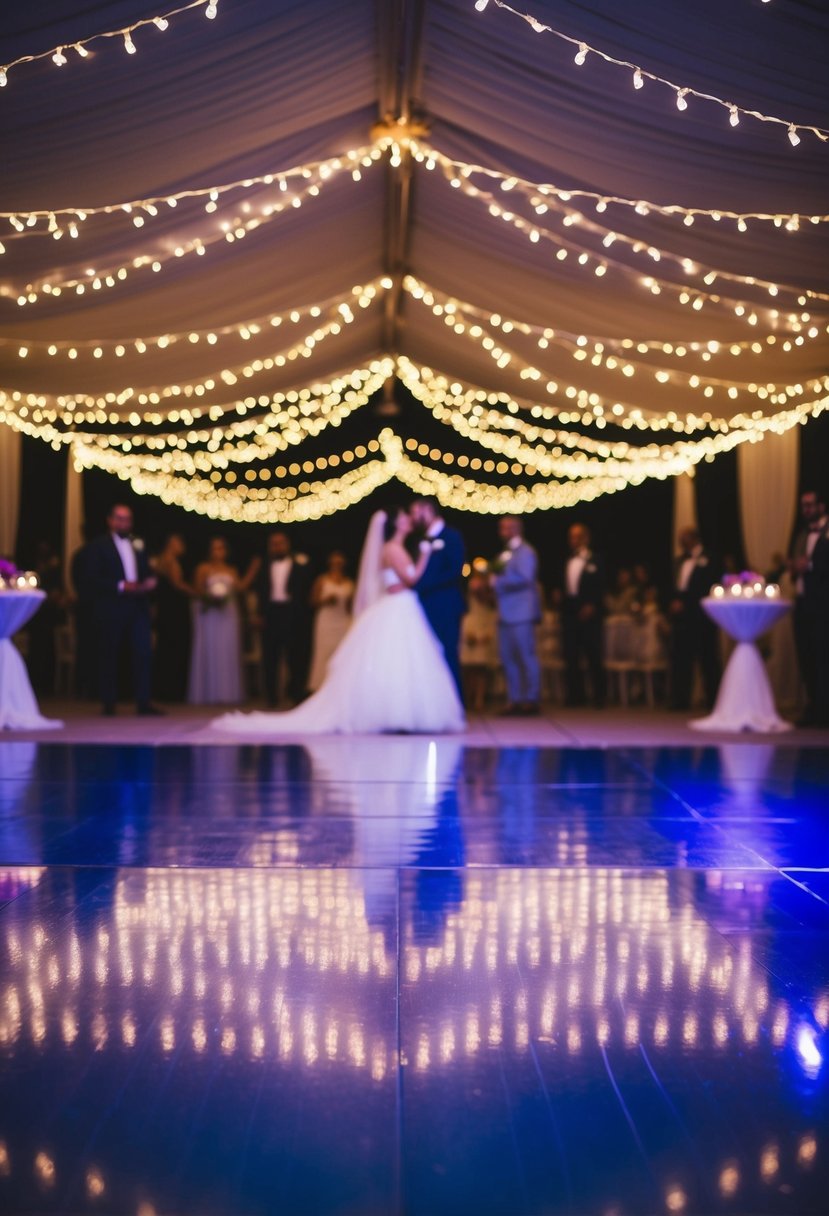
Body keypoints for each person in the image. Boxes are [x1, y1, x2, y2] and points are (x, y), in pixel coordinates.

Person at [212, 507, 465, 735]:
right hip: (400, 606)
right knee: (402, 662)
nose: (409, 519)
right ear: (395, 525)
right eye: (404, 517)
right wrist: (425, 555)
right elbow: (412, 579)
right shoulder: (394, 549)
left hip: (400, 606)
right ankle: (398, 713)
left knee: (401, 662)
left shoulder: (391, 548)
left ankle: (401, 713)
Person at [84, 503, 160, 716]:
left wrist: (149, 582)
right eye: (119, 518)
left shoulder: (138, 543)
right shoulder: (98, 546)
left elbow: (144, 570)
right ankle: (109, 702)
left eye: (127, 519)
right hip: (112, 605)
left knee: (143, 652)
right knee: (110, 652)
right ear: (110, 520)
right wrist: (120, 585)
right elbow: (91, 579)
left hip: (138, 605)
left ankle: (143, 702)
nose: (123, 523)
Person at [188, 537, 258, 705]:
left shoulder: (231, 570)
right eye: (214, 548)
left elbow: (240, 588)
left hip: (228, 614)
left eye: (221, 548)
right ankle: (209, 693)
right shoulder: (203, 568)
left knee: (227, 649)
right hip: (210, 614)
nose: (218, 552)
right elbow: (197, 590)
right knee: (211, 648)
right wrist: (211, 597)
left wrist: (253, 570)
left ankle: (228, 692)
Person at [410, 497, 466, 696]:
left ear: (428, 510)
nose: (413, 517)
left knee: (448, 652)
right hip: (423, 605)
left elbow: (455, 570)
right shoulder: (420, 540)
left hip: (446, 605)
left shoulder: (451, 536)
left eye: (416, 512)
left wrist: (420, 585)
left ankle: (455, 703)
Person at [254, 530, 314, 706]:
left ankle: (296, 694)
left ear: (287, 544)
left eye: (280, 543)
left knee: (295, 655)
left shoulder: (301, 562)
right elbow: (260, 591)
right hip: (271, 612)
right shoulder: (263, 564)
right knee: (270, 657)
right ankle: (271, 697)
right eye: (273, 543)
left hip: (292, 613)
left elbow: (306, 589)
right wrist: (259, 614)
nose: (277, 546)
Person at [490, 516, 542, 715]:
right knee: (508, 658)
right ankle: (514, 699)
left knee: (526, 656)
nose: (500, 530)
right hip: (505, 613)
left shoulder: (526, 551)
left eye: (504, 527)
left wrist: (498, 582)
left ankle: (531, 699)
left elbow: (526, 577)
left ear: (514, 529)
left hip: (521, 613)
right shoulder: (506, 553)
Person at [668, 525, 722, 711]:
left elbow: (711, 586)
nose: (681, 542)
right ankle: (680, 700)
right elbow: (674, 586)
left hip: (702, 616)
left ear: (694, 538)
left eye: (684, 537)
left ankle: (713, 701)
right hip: (681, 617)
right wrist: (674, 603)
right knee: (681, 659)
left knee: (708, 660)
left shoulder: (711, 558)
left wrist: (688, 603)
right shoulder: (678, 561)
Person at [789, 488, 829, 726]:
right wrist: (795, 568)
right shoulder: (802, 534)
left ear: (821, 507)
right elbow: (797, 564)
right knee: (806, 657)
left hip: (823, 606)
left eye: (811, 505)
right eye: (804, 505)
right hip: (803, 604)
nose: (807, 510)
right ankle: (814, 708)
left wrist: (810, 566)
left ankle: (824, 711)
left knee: (823, 657)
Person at [560, 522, 605, 708]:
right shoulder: (566, 560)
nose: (573, 540)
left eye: (577, 536)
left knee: (593, 654)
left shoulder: (597, 560)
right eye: (571, 536)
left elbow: (602, 585)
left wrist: (593, 604)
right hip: (569, 612)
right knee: (571, 656)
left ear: (586, 538)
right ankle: (575, 696)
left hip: (590, 612)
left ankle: (599, 696)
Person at [153, 533, 193, 702]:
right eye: (179, 543)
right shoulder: (170, 560)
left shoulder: (160, 559)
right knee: (174, 648)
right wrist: (198, 594)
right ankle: (172, 692)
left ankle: (162, 690)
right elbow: (177, 584)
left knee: (165, 648)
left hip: (164, 609)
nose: (182, 546)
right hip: (174, 610)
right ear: (172, 543)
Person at [308, 551, 354, 691]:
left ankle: (340, 686)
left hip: (343, 621)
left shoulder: (349, 583)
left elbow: (351, 607)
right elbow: (312, 601)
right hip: (326, 620)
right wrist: (325, 600)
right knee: (324, 653)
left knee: (342, 653)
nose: (337, 566)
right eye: (334, 563)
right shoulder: (322, 580)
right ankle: (321, 687)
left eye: (339, 563)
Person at [460, 565, 498, 713]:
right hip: (471, 621)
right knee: (468, 665)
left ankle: (479, 698)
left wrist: (487, 588)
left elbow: (491, 604)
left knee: (481, 665)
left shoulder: (492, 585)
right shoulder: (470, 585)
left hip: (484, 621)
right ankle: (468, 697)